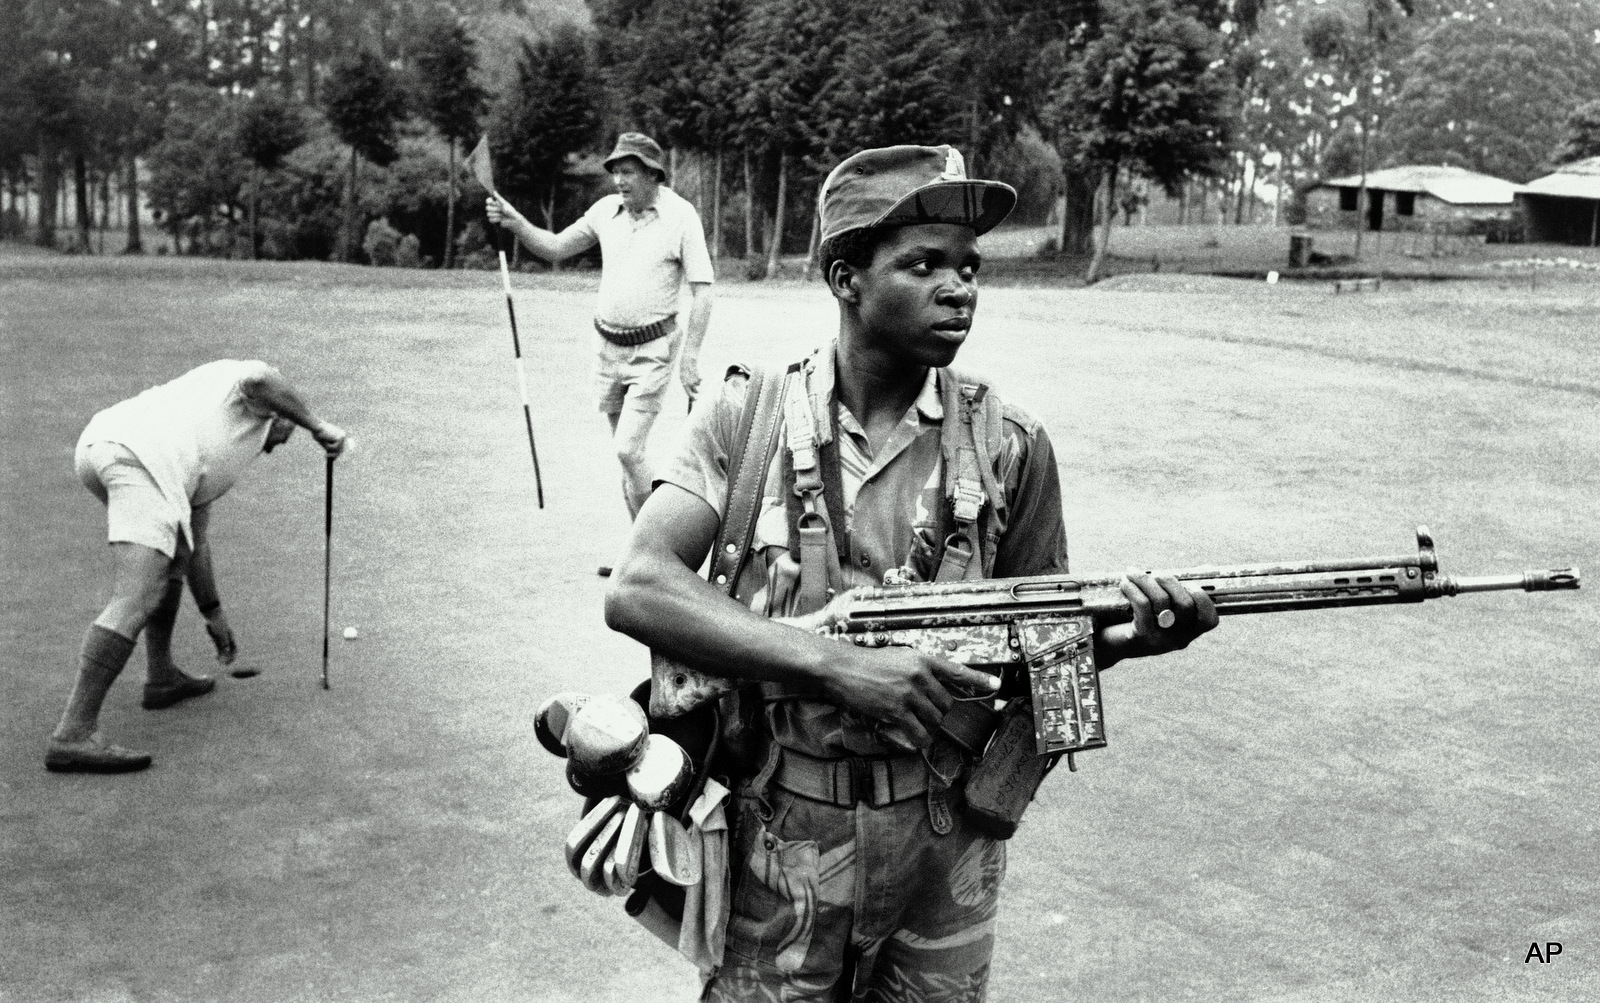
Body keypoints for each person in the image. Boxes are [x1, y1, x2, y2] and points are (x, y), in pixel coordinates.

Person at [604, 145, 1219, 1000]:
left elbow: (1045, 641)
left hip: (948, 831)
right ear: (846, 277)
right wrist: (833, 663)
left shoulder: (1013, 445)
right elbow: (638, 584)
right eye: (923, 263)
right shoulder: (748, 415)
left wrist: (1125, 638)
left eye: (969, 267)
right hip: (783, 831)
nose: (959, 287)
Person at [46, 360, 348, 773]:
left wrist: (214, 615)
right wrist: (319, 426)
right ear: (276, 413)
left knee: (169, 557)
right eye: (285, 431)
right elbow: (263, 380)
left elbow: (194, 544)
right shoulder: (250, 387)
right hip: (142, 455)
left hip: (105, 446)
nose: (277, 446)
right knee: (136, 595)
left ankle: (162, 676)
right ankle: (74, 733)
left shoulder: (210, 426)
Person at [486, 132, 715, 572]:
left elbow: (703, 292)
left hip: (653, 350)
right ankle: (640, 558)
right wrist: (514, 221)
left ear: (653, 175)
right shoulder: (605, 213)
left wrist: (690, 356)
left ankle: (662, 555)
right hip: (606, 348)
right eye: (616, 172)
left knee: (629, 450)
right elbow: (555, 248)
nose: (619, 181)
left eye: (628, 172)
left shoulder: (680, 216)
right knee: (626, 459)